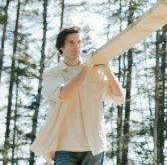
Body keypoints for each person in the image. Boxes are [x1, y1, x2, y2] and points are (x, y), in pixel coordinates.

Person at [31, 26, 125, 165]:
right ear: (61, 46)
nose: (76, 46)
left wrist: (107, 69)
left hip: (94, 144)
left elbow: (118, 97)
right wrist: (87, 68)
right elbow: (63, 94)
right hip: (64, 146)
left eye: (79, 42)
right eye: (71, 42)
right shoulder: (53, 73)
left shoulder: (95, 71)